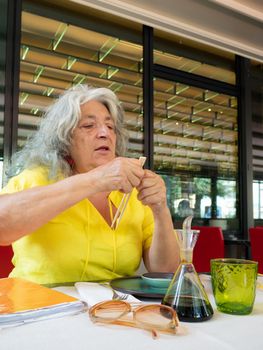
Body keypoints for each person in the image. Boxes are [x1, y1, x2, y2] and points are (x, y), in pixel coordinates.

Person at [0, 85, 180, 284]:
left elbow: (166, 271)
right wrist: (96, 180)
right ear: (65, 138)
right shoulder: (39, 178)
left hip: (112, 309)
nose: (104, 133)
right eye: (88, 125)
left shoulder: (133, 193)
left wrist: (160, 208)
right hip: (39, 307)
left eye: (110, 127)